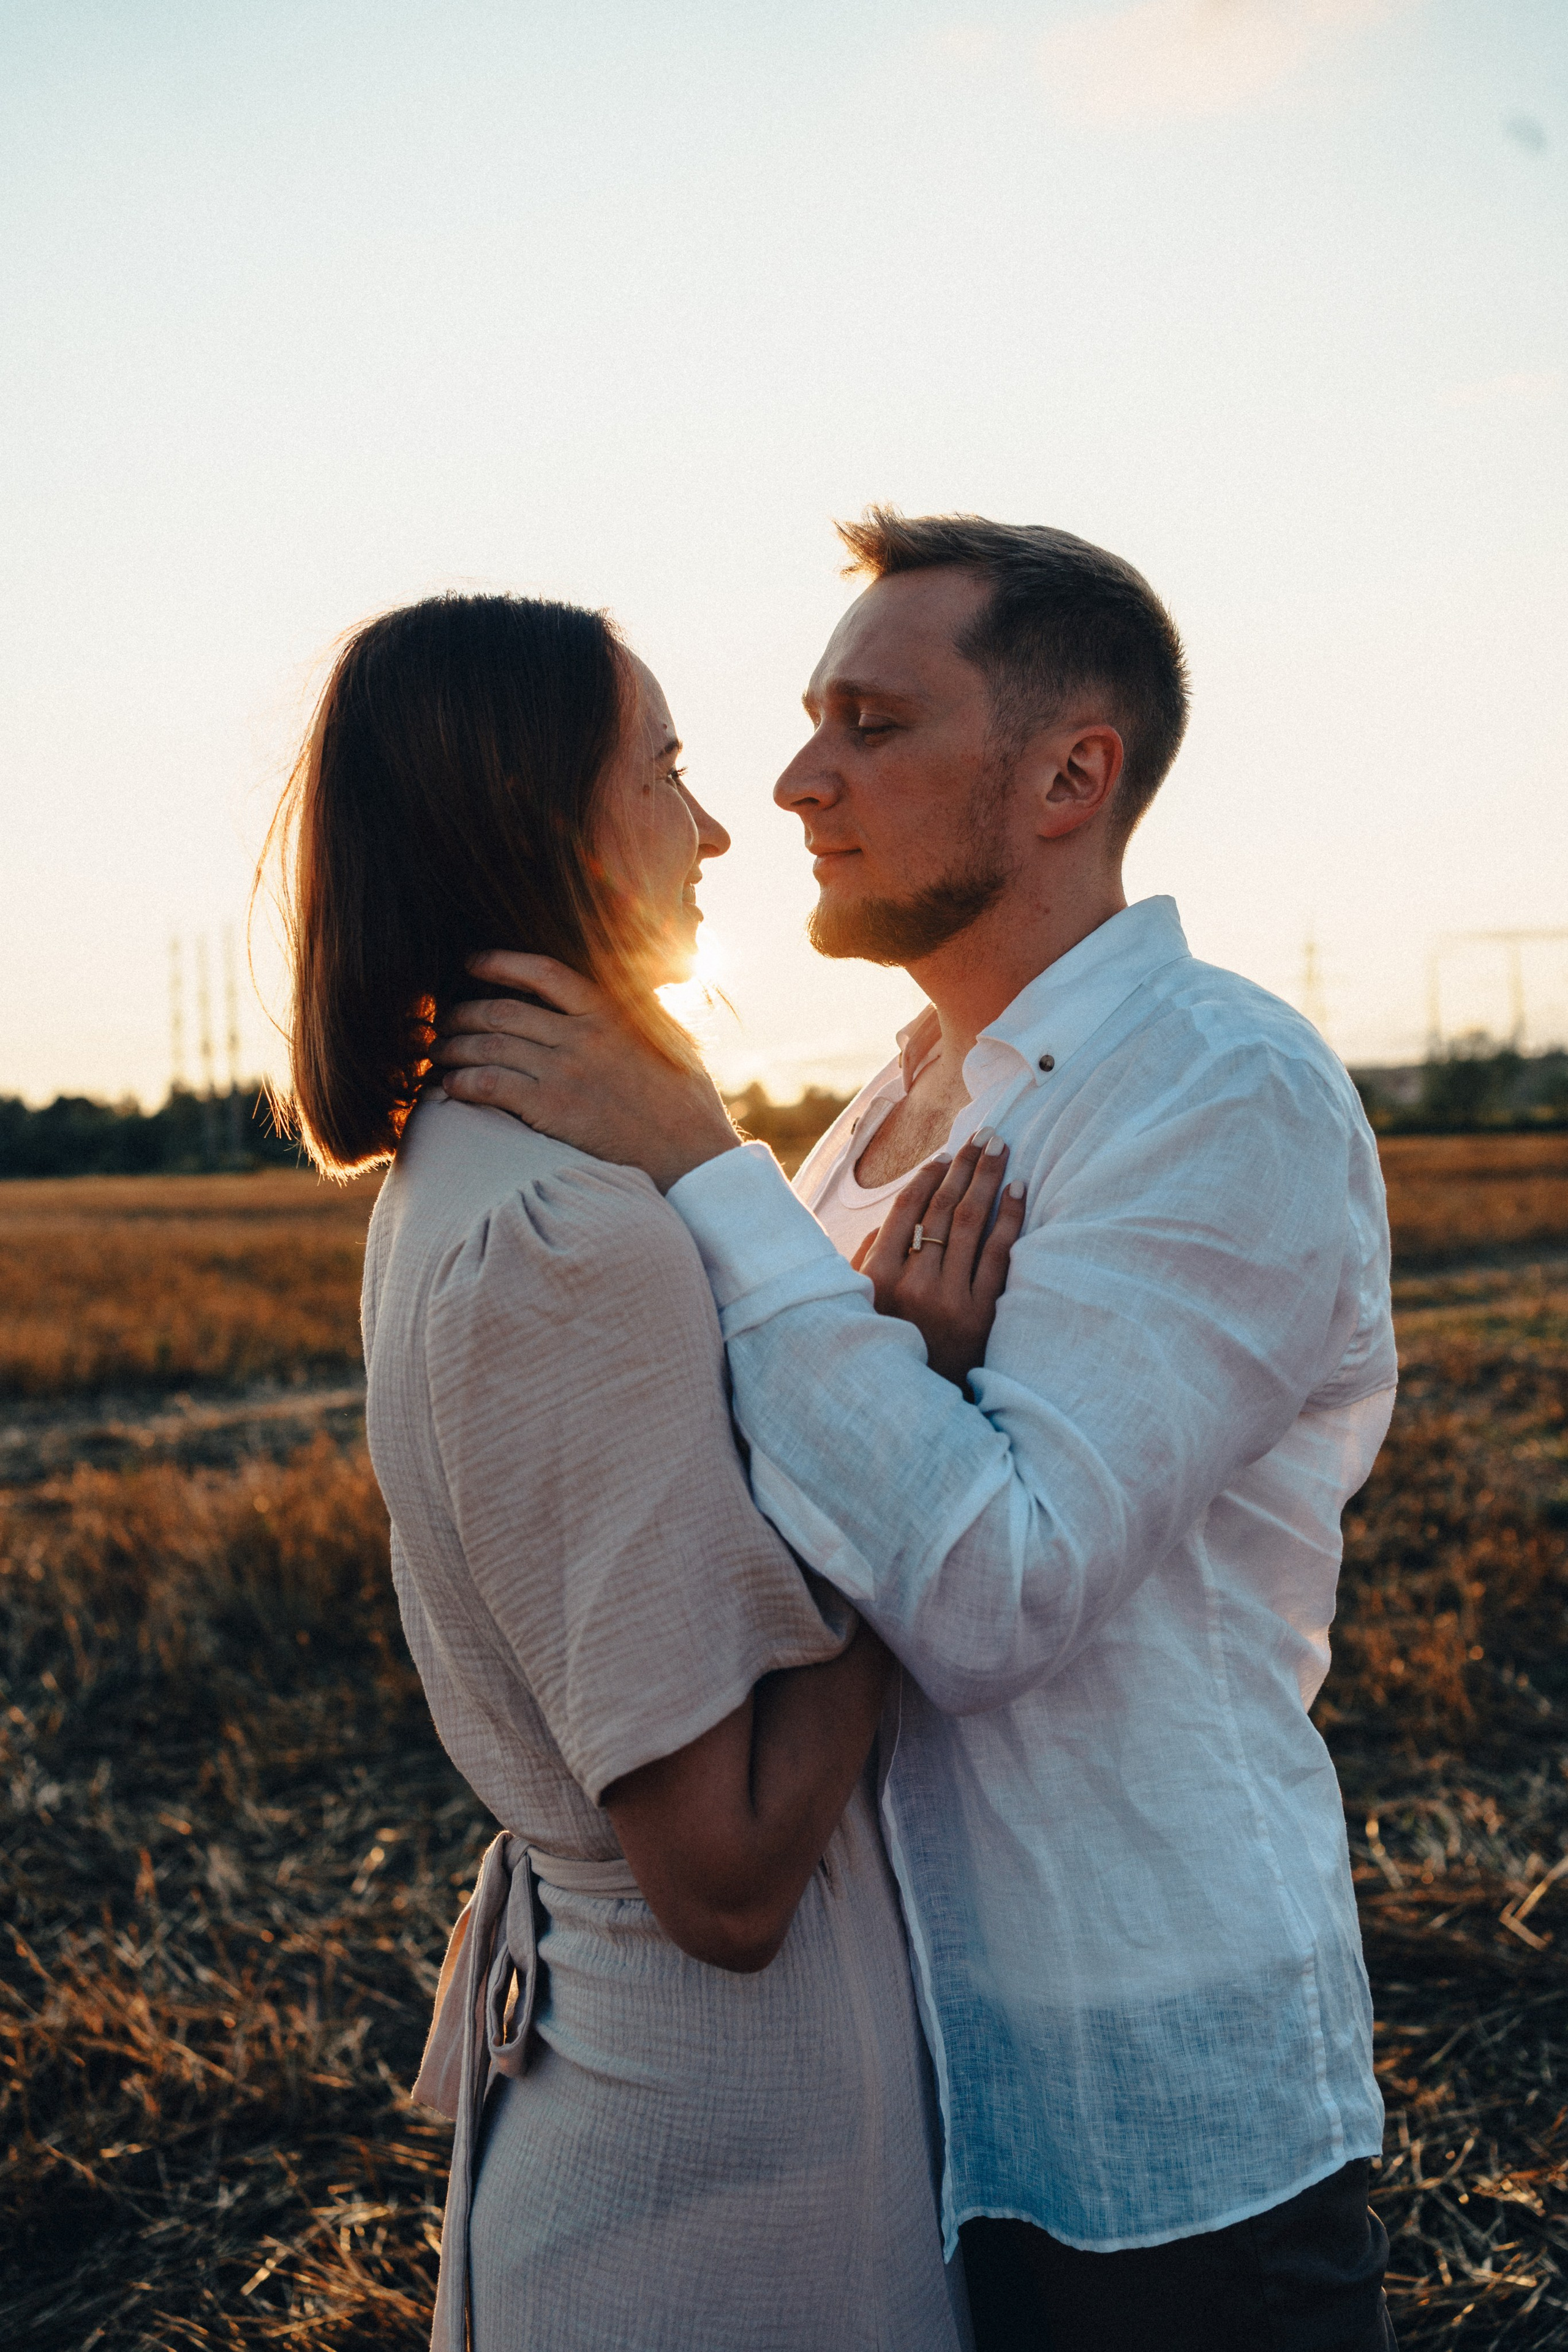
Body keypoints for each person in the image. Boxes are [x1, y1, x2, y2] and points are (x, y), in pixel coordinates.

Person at [436, 512, 1402, 2351]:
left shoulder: (1221, 1089)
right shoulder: (876, 1123)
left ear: (1070, 774)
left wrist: (705, 1169)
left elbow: (989, 1595)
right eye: (810, 720)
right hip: (882, 2111)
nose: (798, 781)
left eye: (872, 724)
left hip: (1151, 2138)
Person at [268, 590, 982, 2352]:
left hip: (658, 2108)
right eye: (661, 768)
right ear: (533, 815)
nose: (718, 822)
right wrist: (924, 1434)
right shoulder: (567, 1242)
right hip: (723, 2159)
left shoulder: (470, 1169)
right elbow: (727, 1877)